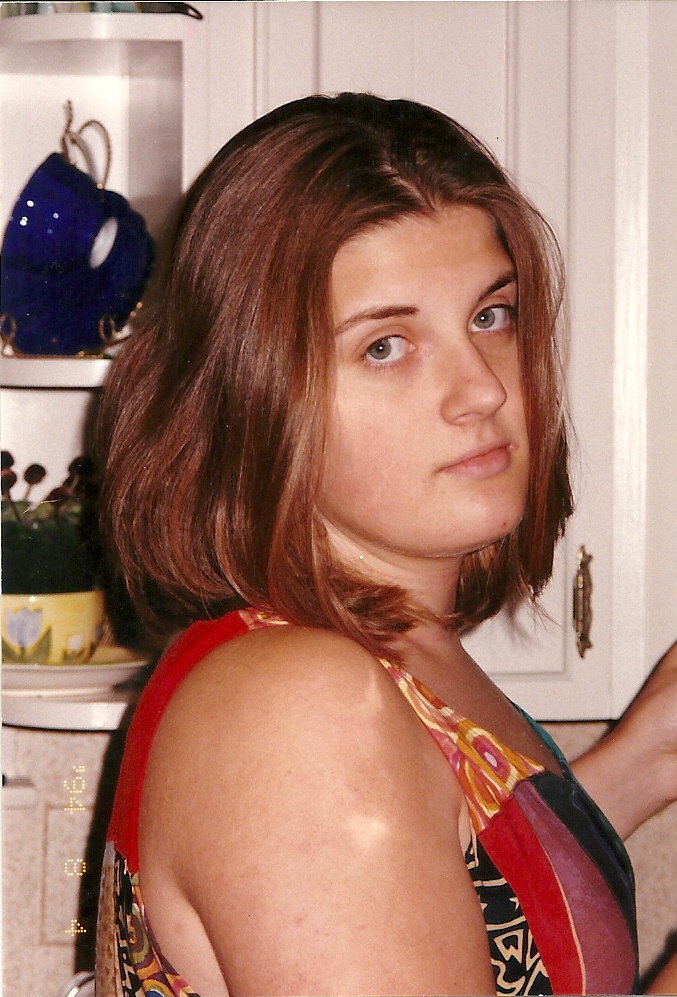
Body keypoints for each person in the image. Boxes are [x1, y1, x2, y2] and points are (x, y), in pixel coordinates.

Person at [93, 92, 677, 997]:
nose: (482, 389)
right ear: (255, 395)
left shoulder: (398, 655)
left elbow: (460, 898)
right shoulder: (297, 707)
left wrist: (646, 757)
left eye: (490, 315)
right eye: (385, 346)